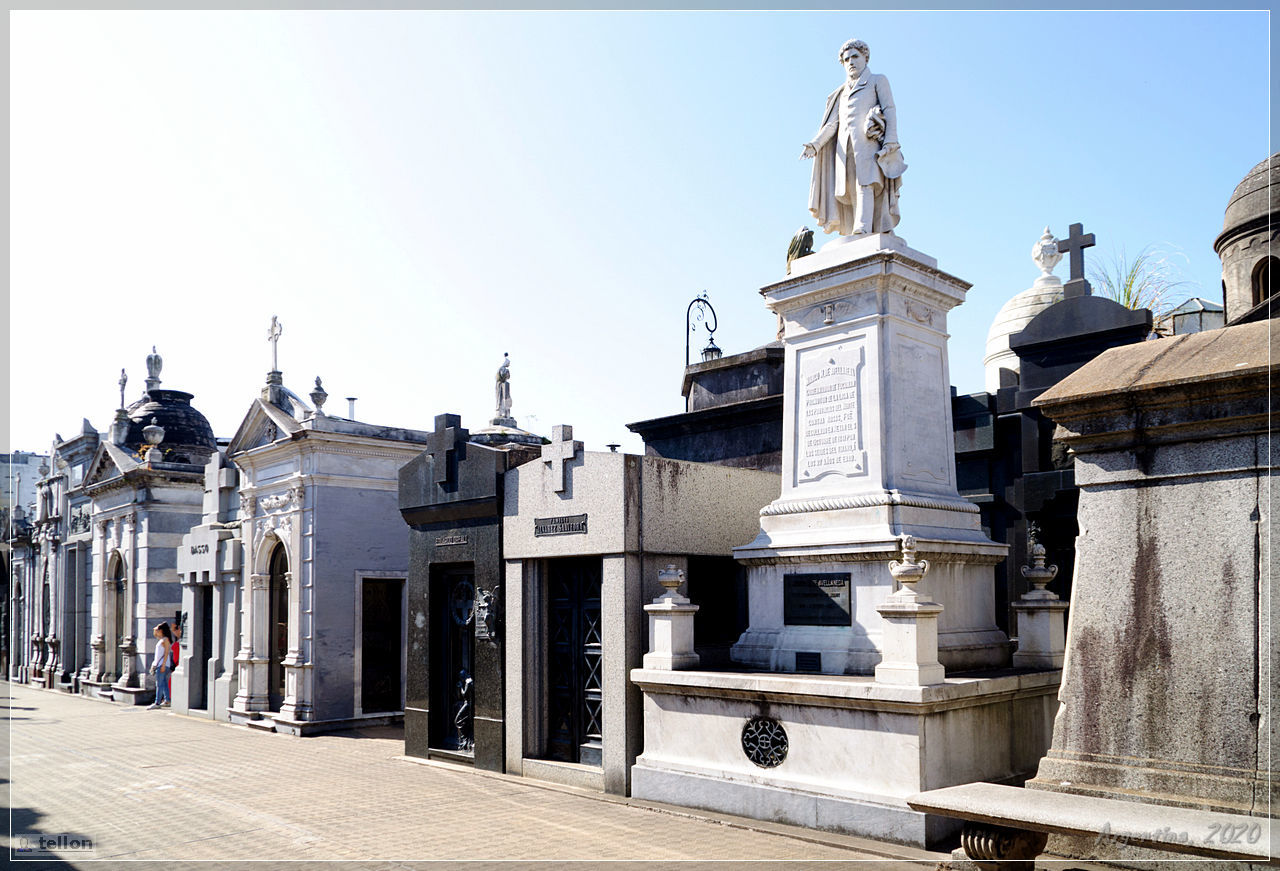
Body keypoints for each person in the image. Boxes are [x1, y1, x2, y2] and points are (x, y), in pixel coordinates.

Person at [801, 39, 906, 237]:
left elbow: (889, 109)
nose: (851, 62)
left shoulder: (877, 80)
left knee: (865, 183)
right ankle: (855, 228)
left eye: (855, 56)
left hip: (868, 145)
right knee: (849, 187)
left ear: (865, 57)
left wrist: (891, 139)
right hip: (844, 148)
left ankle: (863, 227)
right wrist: (816, 145)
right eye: (846, 59)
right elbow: (832, 124)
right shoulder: (840, 93)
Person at [146, 622, 173, 710]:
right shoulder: (162, 639)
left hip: (162, 665)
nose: (156, 631)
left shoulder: (165, 640)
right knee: (163, 683)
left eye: (158, 629)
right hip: (160, 664)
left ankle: (157, 702)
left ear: (161, 630)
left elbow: (166, 653)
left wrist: (163, 665)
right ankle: (167, 700)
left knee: (159, 684)